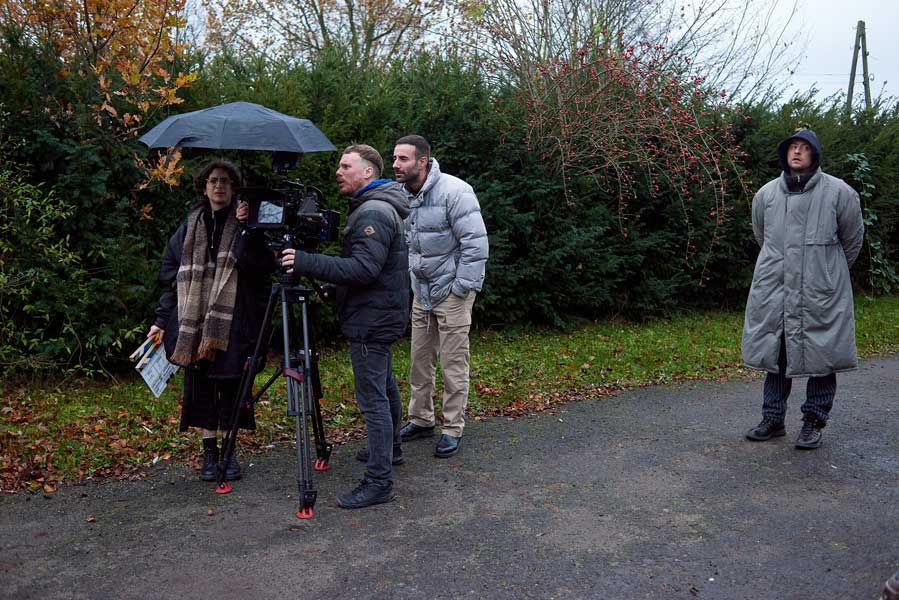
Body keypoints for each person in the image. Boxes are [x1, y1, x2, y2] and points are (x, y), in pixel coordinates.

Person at [281, 144, 410, 509]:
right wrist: (334, 288)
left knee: (373, 400)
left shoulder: (373, 213)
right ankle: (392, 449)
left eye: (345, 166)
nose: (338, 171)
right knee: (383, 387)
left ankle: (379, 481)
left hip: (372, 319)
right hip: (379, 313)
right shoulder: (377, 207)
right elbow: (370, 269)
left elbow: (364, 269)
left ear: (368, 172)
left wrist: (305, 261)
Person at [147, 159, 276, 481]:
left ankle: (230, 452)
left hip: (234, 322)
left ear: (234, 189)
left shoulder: (250, 225)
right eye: (213, 181)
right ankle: (209, 453)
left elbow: (260, 271)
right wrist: (161, 321)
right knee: (201, 389)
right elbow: (171, 278)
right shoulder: (189, 226)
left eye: (226, 182)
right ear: (204, 187)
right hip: (194, 325)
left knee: (232, 386)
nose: (219, 186)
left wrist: (248, 230)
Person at [742, 129, 864, 449]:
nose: (797, 152)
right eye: (792, 147)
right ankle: (773, 418)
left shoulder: (840, 193)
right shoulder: (766, 195)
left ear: (815, 154)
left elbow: (852, 241)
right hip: (776, 288)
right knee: (776, 354)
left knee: (821, 355)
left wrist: (826, 271)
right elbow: (762, 235)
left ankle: (813, 421)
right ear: (785, 154)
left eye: (804, 148)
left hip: (821, 291)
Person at [392, 135, 488, 458]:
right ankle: (421, 419)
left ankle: (452, 427)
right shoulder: (401, 195)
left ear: (422, 161)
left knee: (453, 364)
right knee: (420, 361)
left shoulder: (455, 191)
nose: (395, 165)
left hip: (452, 293)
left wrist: (460, 289)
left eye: (402, 159)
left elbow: (476, 246)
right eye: (394, 158)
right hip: (422, 293)